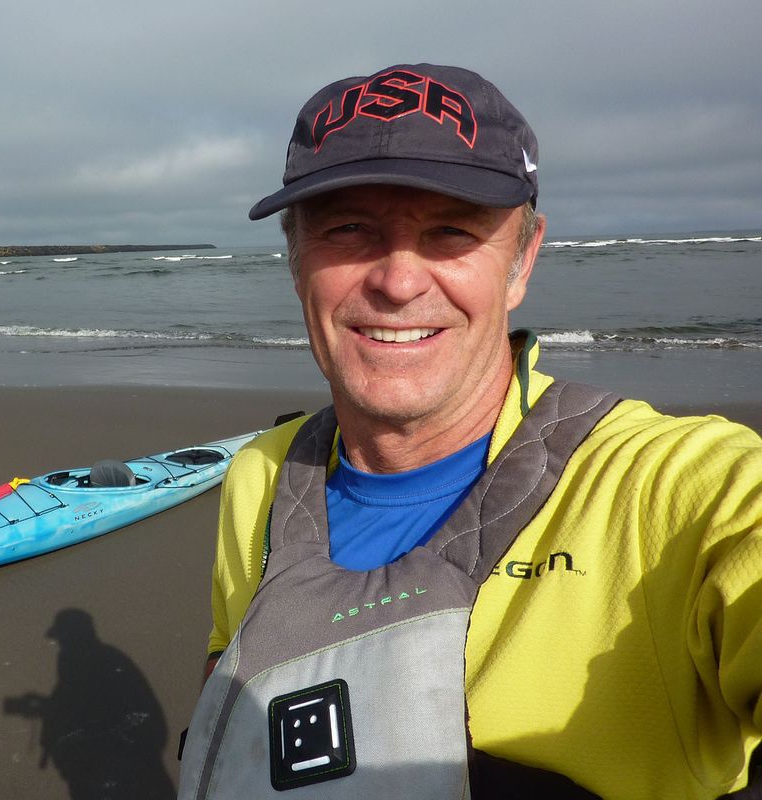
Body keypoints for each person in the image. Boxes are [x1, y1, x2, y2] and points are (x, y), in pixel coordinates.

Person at [176, 64, 761, 799]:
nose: (397, 280)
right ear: (296, 260)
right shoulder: (260, 475)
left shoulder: (665, 486)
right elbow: (231, 664)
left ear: (522, 261)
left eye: (450, 230)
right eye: (349, 229)